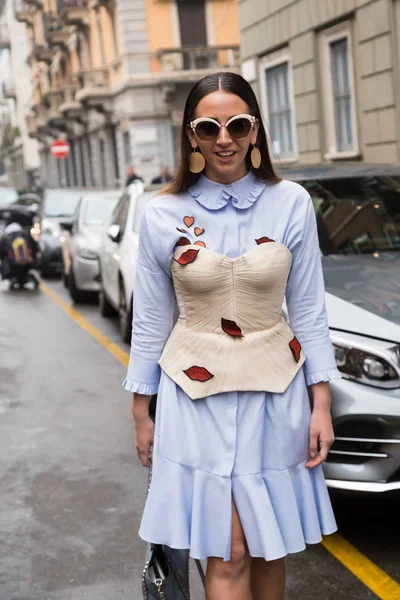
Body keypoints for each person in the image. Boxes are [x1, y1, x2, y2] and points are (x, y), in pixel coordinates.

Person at [123, 72, 341, 600]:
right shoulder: (161, 214)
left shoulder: (290, 202)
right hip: (193, 400)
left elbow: (309, 308)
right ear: (191, 136)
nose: (225, 138)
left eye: (238, 124)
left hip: (277, 395)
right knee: (229, 549)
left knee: (269, 546)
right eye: (210, 126)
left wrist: (321, 403)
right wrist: (140, 412)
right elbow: (151, 319)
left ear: (256, 132)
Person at [0, 222, 39, 288]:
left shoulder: (6, 239)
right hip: (28, 264)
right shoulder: (27, 236)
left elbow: (2, 253)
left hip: (13, 265)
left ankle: (11, 277)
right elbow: (36, 248)